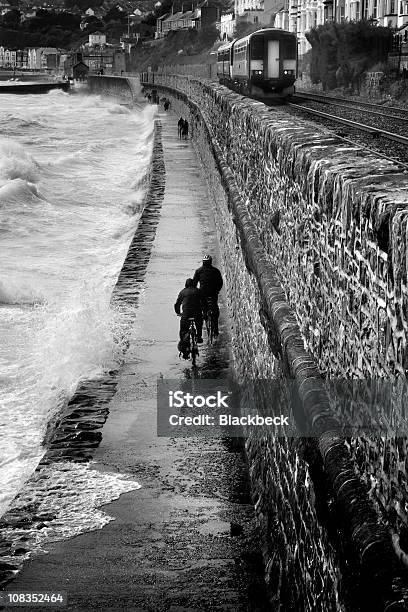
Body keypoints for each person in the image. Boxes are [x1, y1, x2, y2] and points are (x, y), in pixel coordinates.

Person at [174, 278, 207, 358]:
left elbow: (177, 304)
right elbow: (204, 302)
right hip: (197, 313)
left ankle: (185, 346)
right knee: (199, 323)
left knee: (183, 331)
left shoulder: (182, 292)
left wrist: (178, 313)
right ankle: (199, 337)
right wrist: (205, 313)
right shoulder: (198, 291)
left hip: (186, 314)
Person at [192, 255, 223, 336]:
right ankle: (216, 330)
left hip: (203, 293)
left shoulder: (198, 271)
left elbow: (194, 283)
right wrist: (217, 290)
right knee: (215, 311)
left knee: (202, 306)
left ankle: (204, 315)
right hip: (213, 293)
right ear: (210, 262)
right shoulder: (216, 271)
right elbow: (220, 282)